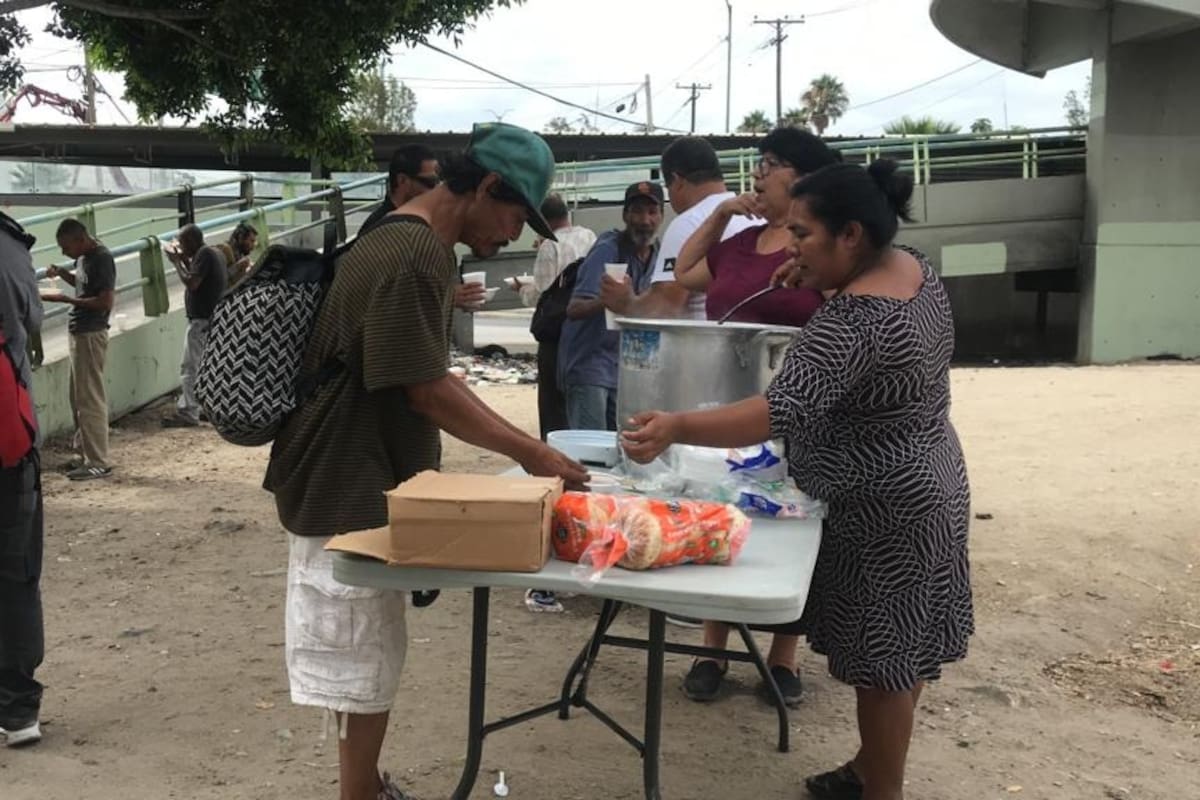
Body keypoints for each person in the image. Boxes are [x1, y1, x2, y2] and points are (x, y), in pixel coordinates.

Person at [622, 160, 974, 800]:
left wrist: (676, 424)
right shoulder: (914, 269)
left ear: (851, 235)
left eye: (803, 234)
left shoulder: (854, 321)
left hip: (883, 508)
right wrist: (820, 281)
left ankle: (882, 790)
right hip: (932, 479)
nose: (791, 246)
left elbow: (778, 410)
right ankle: (869, 770)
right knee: (902, 649)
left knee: (884, 669)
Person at [262, 122, 589, 800]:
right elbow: (427, 389)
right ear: (488, 187)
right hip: (345, 473)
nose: (516, 234)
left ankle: (364, 785)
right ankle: (359, 793)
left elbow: (422, 377)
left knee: (367, 647)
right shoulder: (416, 254)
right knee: (360, 651)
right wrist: (532, 452)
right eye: (516, 215)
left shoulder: (401, 234)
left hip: (353, 466)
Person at [669, 127, 841, 707]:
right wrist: (721, 215)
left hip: (797, 409)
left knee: (792, 520)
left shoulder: (815, 249)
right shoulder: (740, 243)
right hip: (727, 407)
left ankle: (783, 655)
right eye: (759, 163)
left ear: (804, 178)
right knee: (721, 512)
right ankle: (712, 648)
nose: (759, 174)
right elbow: (685, 272)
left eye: (771, 163)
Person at [523, 181, 662, 616]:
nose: (643, 220)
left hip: (624, 371)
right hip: (588, 367)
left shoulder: (657, 256)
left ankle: (604, 556)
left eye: (651, 211)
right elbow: (575, 307)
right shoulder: (607, 249)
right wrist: (610, 299)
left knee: (620, 467)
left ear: (660, 216)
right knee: (585, 471)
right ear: (625, 214)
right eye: (636, 211)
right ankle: (552, 578)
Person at [598, 136, 757, 321]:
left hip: (707, 337)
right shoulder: (754, 216)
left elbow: (665, 308)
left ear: (677, 180)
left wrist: (626, 303)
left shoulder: (689, 223)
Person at [0, 211, 45, 748]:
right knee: (15, 576)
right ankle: (17, 711)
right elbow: (30, 320)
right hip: (9, 447)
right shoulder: (8, 246)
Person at [511, 193, 596, 440]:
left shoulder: (550, 245)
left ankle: (554, 450)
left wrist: (521, 288)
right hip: (585, 329)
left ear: (542, 221)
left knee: (553, 404)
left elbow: (542, 295)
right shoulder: (589, 236)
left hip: (557, 332)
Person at [41, 219, 115, 480]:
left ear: (80, 239)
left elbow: (105, 301)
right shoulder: (83, 258)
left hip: (91, 333)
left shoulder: (101, 258)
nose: (64, 252)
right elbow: (84, 286)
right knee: (78, 397)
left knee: (90, 399)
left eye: (66, 247)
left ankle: (98, 461)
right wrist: (63, 274)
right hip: (79, 331)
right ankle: (84, 453)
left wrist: (66, 300)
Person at [162, 224, 226, 428]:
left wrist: (176, 263)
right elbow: (196, 275)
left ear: (190, 242)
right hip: (211, 319)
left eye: (182, 243)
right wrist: (183, 260)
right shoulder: (208, 253)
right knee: (207, 366)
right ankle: (206, 408)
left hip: (202, 321)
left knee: (190, 366)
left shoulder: (204, 254)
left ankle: (189, 411)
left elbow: (192, 283)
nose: (180, 247)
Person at [357, 144, 441, 238]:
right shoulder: (378, 229)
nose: (436, 189)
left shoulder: (419, 217)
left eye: (438, 181)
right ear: (402, 180)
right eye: (430, 182)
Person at [216, 221, 258, 288]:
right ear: (240, 238)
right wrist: (237, 266)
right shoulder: (225, 250)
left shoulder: (239, 253)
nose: (253, 246)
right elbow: (217, 279)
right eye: (251, 241)